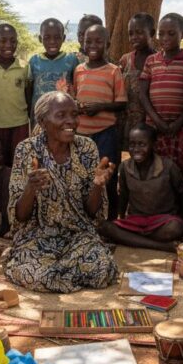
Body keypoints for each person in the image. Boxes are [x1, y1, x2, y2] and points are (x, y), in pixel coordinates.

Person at [2, 91, 120, 293]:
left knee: (102, 268)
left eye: (74, 114)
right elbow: (20, 216)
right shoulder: (26, 150)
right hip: (36, 236)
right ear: (42, 121)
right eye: (61, 115)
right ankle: (51, 270)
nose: (71, 121)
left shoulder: (86, 148)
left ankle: (55, 273)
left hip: (78, 235)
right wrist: (30, 188)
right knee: (34, 273)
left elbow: (91, 212)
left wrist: (97, 185)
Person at [71, 23, 127, 218]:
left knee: (107, 175)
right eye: (88, 41)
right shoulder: (78, 70)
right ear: (82, 43)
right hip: (81, 135)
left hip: (105, 134)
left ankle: (110, 219)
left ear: (108, 44)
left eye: (98, 41)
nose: (92, 45)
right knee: (83, 176)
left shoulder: (113, 71)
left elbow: (121, 103)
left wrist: (99, 107)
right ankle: (85, 216)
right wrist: (78, 106)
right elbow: (76, 97)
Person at [100, 124, 183, 252]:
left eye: (142, 144)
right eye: (132, 144)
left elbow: (181, 193)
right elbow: (123, 195)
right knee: (105, 227)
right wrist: (121, 218)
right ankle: (161, 246)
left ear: (153, 145)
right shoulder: (125, 167)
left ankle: (132, 239)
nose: (136, 149)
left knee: (176, 228)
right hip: (136, 221)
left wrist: (181, 216)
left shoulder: (168, 166)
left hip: (162, 220)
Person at [140, 13, 183, 171]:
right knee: (155, 168)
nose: (165, 38)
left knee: (178, 168)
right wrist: (157, 121)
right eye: (161, 34)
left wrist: (179, 122)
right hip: (154, 127)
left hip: (180, 128)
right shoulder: (151, 61)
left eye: (171, 34)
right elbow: (143, 94)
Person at [0, 23, 30, 167]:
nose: (8, 45)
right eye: (3, 41)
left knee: (19, 162)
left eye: (13, 41)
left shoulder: (24, 67)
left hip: (20, 124)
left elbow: (28, 95)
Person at [117, 13, 156, 152]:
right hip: (126, 124)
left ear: (152, 33)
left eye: (139, 32)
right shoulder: (125, 60)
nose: (134, 37)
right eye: (131, 33)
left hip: (151, 123)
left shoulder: (159, 61)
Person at [28, 18, 78, 116]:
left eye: (57, 37)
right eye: (47, 37)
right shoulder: (34, 61)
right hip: (39, 115)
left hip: (64, 114)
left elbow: (76, 86)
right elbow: (29, 89)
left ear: (63, 38)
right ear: (40, 39)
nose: (52, 41)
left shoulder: (71, 59)